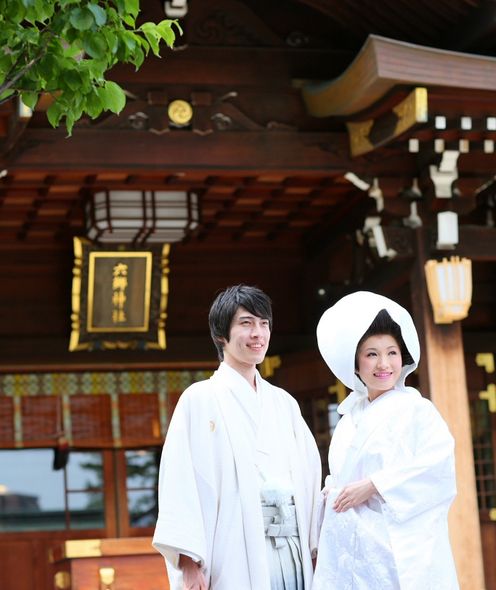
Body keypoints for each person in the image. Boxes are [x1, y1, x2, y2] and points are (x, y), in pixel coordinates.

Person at [153, 284, 322, 590]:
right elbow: (181, 481)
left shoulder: (284, 403)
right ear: (222, 334)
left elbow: (309, 478)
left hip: (292, 547)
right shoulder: (199, 399)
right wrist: (188, 563)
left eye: (264, 323)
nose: (258, 333)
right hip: (231, 551)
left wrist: (315, 548)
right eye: (246, 323)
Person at [312, 290, 459, 590]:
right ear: (355, 365)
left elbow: (437, 469)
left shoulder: (417, 410)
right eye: (371, 354)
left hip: (396, 549)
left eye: (392, 353)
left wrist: (375, 485)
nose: (384, 364)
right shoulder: (349, 418)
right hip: (349, 547)